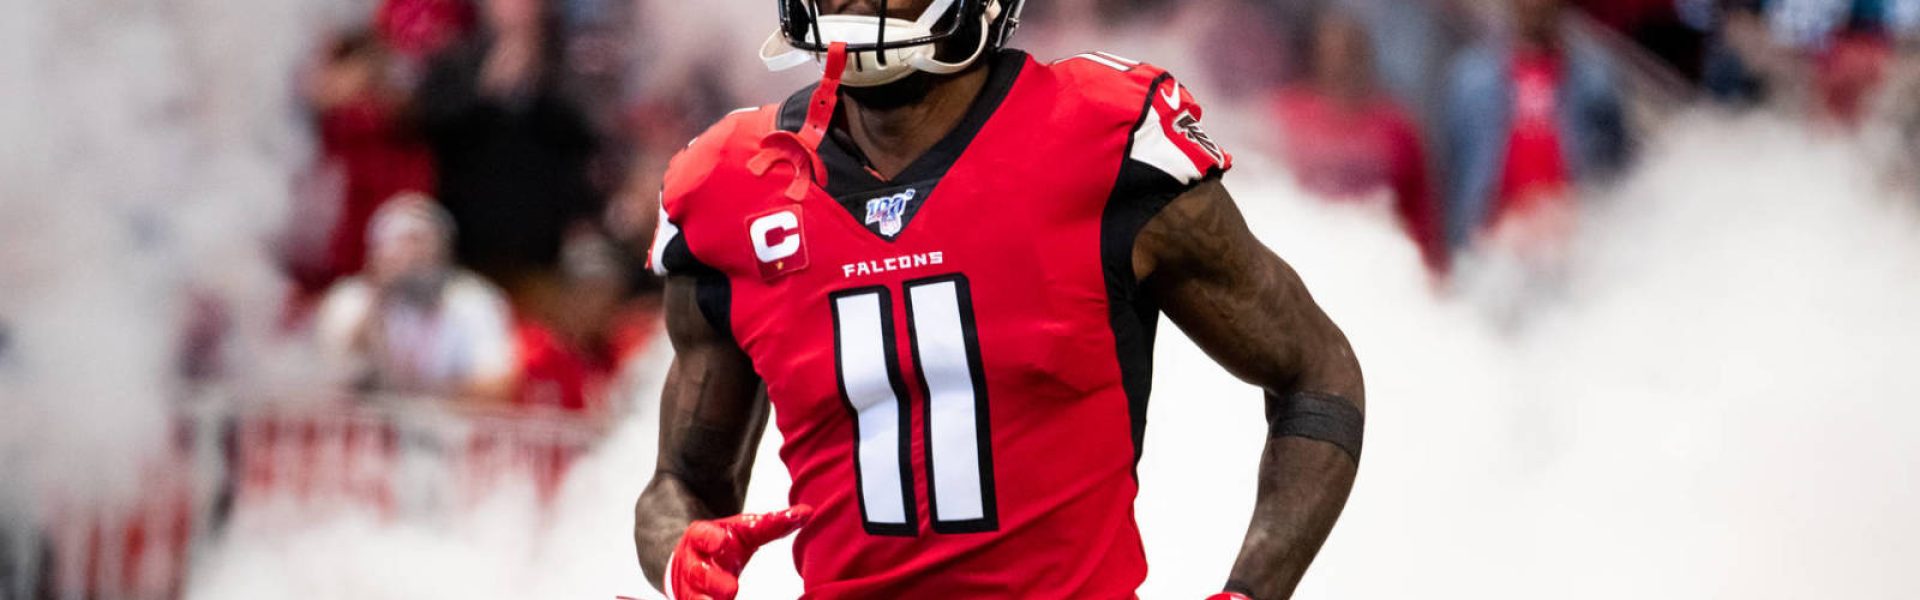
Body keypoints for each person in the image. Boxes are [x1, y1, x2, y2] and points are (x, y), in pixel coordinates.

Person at [630, 1, 1366, 599]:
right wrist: (679, 557)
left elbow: (1317, 370)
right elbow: (680, 483)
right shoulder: (730, 182)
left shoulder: (1099, 136)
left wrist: (1251, 591)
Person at [414, 0, 602, 287]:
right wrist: (485, 92)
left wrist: (538, 86)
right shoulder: (456, 60)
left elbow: (583, 137)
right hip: (471, 239)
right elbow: (433, 128)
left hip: (544, 247)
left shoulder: (563, 61)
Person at [1442, 0, 1632, 258]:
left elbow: (1617, 172)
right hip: (1496, 250)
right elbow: (1456, 175)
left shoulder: (1596, 77)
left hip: (1572, 249)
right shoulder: (1470, 78)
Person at [1273, 7, 1448, 274]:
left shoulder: (1396, 128)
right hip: (1305, 256)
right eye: (1332, 54)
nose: (1340, 65)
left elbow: (1420, 213)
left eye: (1348, 54)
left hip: (1376, 261)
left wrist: (1429, 269)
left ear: (1364, 57)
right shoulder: (1287, 116)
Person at [315, 194, 519, 402]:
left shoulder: (474, 301)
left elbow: (496, 384)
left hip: (447, 427)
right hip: (368, 428)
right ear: (376, 252)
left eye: (424, 243)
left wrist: (418, 399)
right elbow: (331, 376)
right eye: (403, 242)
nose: (415, 255)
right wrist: (377, 300)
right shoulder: (350, 299)